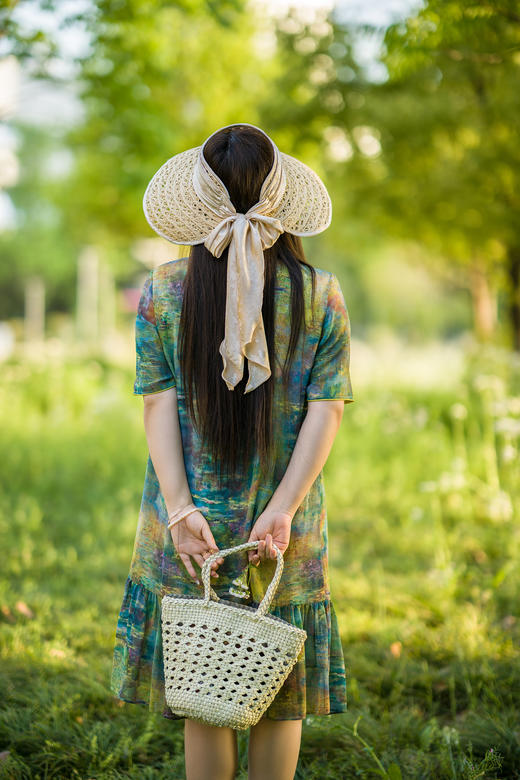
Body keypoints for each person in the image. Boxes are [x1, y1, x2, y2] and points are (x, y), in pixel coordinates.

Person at [110, 123, 355, 780]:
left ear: (200, 200)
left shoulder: (164, 290)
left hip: (191, 515)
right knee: (279, 688)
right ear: (277, 195)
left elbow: (157, 402)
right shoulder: (318, 291)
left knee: (206, 683)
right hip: (289, 515)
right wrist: (281, 511)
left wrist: (181, 508)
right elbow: (326, 410)